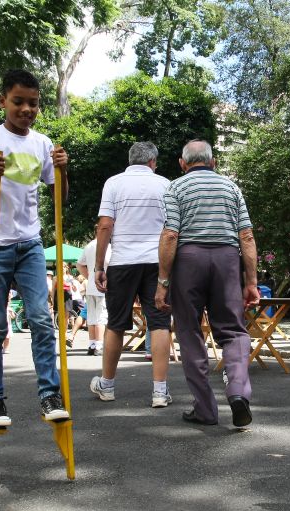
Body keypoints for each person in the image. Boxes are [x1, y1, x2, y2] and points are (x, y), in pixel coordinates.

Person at [0, 68, 70, 426]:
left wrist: (63, 171)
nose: (26, 109)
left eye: (33, 104)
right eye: (19, 101)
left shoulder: (42, 143)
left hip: (30, 243)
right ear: (2, 100)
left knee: (40, 316)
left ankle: (50, 395)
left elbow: (60, 198)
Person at [155, 139, 259, 426]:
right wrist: (251, 281)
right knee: (234, 331)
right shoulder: (231, 188)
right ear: (213, 162)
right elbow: (247, 236)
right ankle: (238, 392)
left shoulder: (175, 187)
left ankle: (205, 409)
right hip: (227, 260)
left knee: (189, 333)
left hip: (189, 261)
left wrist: (162, 282)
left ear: (182, 163)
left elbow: (171, 235)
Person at [90, 141, 173, 408]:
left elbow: (105, 226)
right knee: (159, 323)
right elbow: (172, 229)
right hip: (156, 262)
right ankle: (160, 391)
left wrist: (99, 266)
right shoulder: (165, 185)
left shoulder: (113, 183)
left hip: (123, 261)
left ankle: (107, 385)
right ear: (153, 162)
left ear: (130, 160)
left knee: (115, 323)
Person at [77, 230, 111, 356]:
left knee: (91, 316)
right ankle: (99, 345)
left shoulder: (89, 245)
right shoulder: (107, 246)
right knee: (101, 316)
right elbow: (108, 261)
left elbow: (79, 264)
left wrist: (89, 276)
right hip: (103, 285)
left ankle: (91, 345)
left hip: (91, 285)